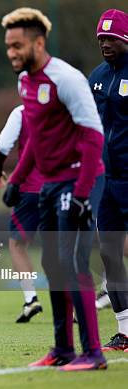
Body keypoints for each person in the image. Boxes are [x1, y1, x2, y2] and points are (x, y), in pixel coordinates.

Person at [2, 7, 107, 370]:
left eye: (18, 45)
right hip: (49, 183)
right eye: (8, 47)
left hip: (80, 178)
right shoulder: (24, 82)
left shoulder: (67, 79)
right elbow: (34, 141)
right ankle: (63, 350)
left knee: (72, 260)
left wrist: (81, 193)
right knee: (51, 263)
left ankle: (93, 353)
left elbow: (94, 136)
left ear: (39, 42)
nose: (12, 52)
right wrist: (16, 180)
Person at [88, 8, 128, 352]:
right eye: (101, 37)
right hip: (106, 180)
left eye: (111, 37)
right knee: (109, 251)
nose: (105, 43)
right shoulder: (97, 77)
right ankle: (125, 329)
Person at [0, 105, 44, 323]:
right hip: (64, 187)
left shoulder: (22, 112)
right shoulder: (67, 109)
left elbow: (2, 146)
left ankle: (30, 298)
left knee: (17, 244)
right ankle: (75, 307)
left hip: (30, 190)